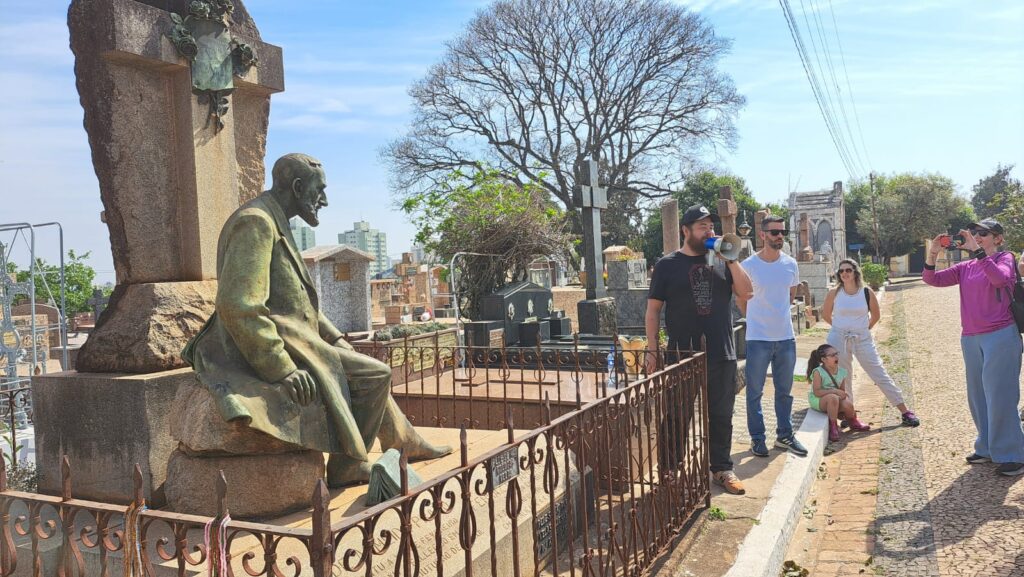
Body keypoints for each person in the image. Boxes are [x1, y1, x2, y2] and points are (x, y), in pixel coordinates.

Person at [184, 153, 451, 487]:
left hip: (297, 337)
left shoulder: (274, 219)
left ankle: (403, 439)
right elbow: (240, 306)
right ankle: (348, 466)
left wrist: (336, 338)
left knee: (360, 365)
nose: (324, 200)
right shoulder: (256, 222)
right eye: (319, 190)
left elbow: (298, 301)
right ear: (297, 187)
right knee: (377, 375)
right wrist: (281, 368)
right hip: (264, 348)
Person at [645, 204, 753, 495]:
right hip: (682, 354)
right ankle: (670, 468)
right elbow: (653, 310)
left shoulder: (722, 262)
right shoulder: (667, 265)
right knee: (677, 413)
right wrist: (652, 349)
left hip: (721, 350)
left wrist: (731, 259)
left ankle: (721, 468)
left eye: (711, 226)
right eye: (702, 226)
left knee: (721, 414)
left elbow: (747, 293)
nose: (709, 231)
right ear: (686, 231)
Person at [924, 219, 1024, 477]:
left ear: (998, 238)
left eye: (983, 233)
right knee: (978, 395)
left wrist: (978, 253)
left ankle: (1012, 453)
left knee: (1000, 395)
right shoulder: (966, 267)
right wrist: (933, 252)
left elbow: (1000, 279)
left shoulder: (1005, 258)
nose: (976, 236)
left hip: (1001, 335)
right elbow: (931, 278)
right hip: (971, 337)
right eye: (974, 232)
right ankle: (987, 447)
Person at [822, 258, 920, 427]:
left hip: (862, 338)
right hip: (839, 339)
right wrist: (839, 328)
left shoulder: (866, 292)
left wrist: (862, 329)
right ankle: (849, 414)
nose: (844, 273)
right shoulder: (835, 293)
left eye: (848, 270)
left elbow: (875, 316)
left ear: (855, 272)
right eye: (841, 271)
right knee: (843, 378)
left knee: (878, 372)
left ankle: (905, 411)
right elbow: (825, 314)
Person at [741, 215, 807, 457]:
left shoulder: (790, 264)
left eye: (782, 232)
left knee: (784, 391)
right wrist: (756, 319)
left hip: (785, 338)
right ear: (762, 235)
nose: (779, 236)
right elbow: (741, 298)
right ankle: (757, 438)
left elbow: (790, 296)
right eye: (774, 232)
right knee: (754, 392)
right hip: (758, 338)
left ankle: (785, 435)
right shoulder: (748, 265)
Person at [806, 343, 870, 442]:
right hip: (818, 400)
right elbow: (817, 392)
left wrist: (842, 398)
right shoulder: (818, 372)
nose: (836, 357)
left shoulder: (842, 372)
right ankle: (833, 426)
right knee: (832, 397)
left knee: (847, 403)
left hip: (833, 400)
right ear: (823, 360)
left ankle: (853, 421)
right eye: (832, 355)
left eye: (836, 354)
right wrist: (834, 391)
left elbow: (841, 391)